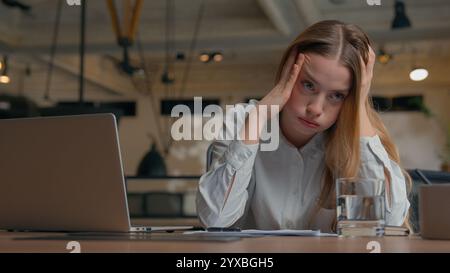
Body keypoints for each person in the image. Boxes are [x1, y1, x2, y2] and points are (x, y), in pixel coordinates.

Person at [196, 20, 411, 232]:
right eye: (308, 85)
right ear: (287, 73)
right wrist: (258, 116)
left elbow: (388, 221)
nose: (316, 108)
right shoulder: (244, 120)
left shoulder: (361, 137)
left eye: (337, 95)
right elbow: (215, 219)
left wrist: (360, 105)